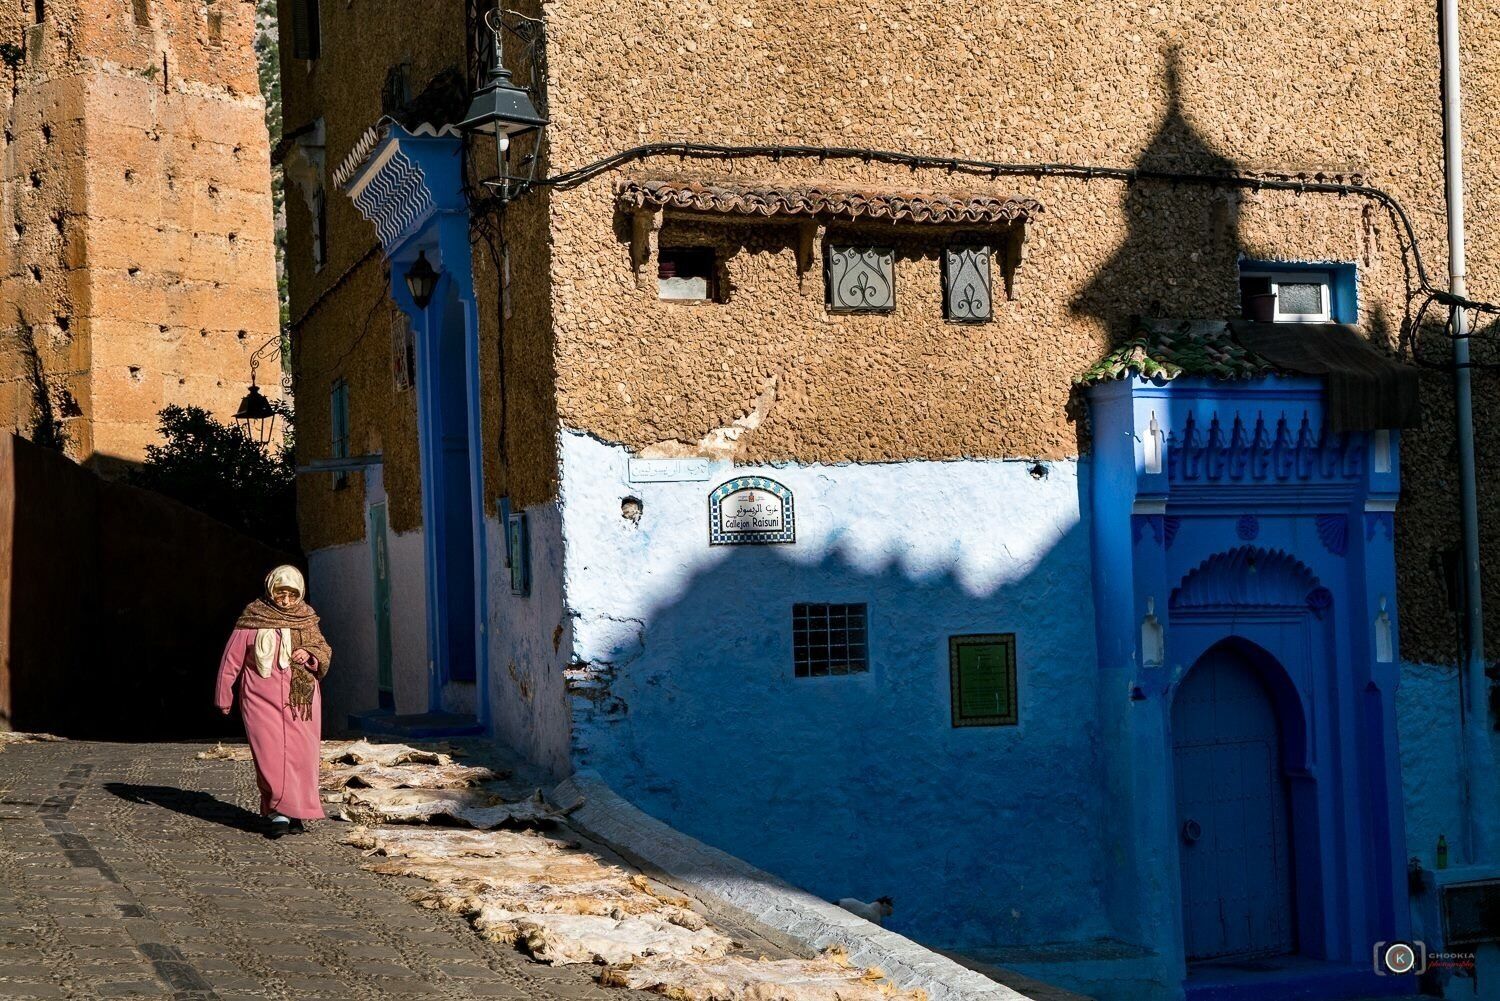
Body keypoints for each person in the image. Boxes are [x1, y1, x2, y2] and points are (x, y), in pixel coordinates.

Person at [215, 566, 333, 838]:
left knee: (302, 756)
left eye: (292, 594)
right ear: (271, 591)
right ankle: (279, 810)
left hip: (301, 702)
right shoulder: (253, 617)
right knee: (270, 755)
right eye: (281, 593)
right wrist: (224, 695)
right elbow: (231, 660)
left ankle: (294, 812)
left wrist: (309, 654)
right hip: (260, 697)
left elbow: (324, 650)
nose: (286, 600)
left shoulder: (306, 618)